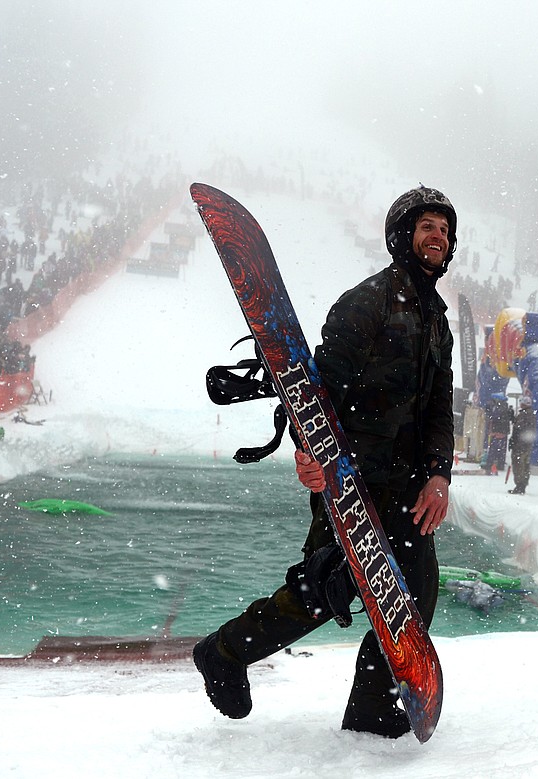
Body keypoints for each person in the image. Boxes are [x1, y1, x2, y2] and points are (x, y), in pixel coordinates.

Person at [193, 186, 457, 739]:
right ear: (403, 237)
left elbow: (439, 404)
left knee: (410, 603)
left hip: (408, 487)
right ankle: (224, 653)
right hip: (352, 476)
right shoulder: (366, 303)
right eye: (427, 226)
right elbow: (316, 389)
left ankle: (373, 723)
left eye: (444, 228)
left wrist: (439, 474)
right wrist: (309, 451)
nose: (438, 236)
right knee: (325, 591)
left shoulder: (437, 318)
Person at [508, 395, 537, 494]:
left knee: (519, 464)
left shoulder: (526, 415)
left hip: (521, 445)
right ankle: (522, 485)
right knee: (524, 465)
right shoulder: (530, 414)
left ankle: (520, 485)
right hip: (525, 444)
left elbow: (520, 428)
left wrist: (514, 440)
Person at [484, 393, 513, 474]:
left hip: (498, 432)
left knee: (493, 448)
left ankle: (490, 464)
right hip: (502, 432)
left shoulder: (499, 408)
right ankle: (500, 464)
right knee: (501, 449)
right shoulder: (505, 407)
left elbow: (494, 417)